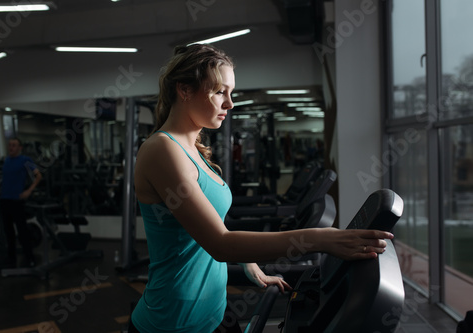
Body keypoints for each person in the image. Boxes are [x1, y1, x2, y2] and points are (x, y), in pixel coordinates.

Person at [130, 44, 393, 333]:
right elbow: (219, 243)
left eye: (231, 93)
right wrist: (321, 239)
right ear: (184, 90)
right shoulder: (162, 151)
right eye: (219, 91)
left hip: (214, 307)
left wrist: (250, 264)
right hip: (174, 320)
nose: (229, 103)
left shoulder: (192, 149)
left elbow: (209, 222)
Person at [0, 137, 42, 268]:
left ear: (20, 148)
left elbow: (38, 176)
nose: (11, 147)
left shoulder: (25, 161)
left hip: (17, 201)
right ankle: (11, 259)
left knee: (22, 231)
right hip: (4, 199)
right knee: (8, 232)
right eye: (10, 145)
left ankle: (30, 258)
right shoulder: (6, 160)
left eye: (14, 145)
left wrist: (29, 191)